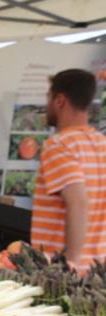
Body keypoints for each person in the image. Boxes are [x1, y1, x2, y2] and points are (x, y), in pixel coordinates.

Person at [32, 68, 106, 271]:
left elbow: (79, 202)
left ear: (60, 100)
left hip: (63, 275)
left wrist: (70, 263)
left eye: (49, 98)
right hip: (97, 273)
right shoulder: (102, 144)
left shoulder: (59, 145)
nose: (47, 105)